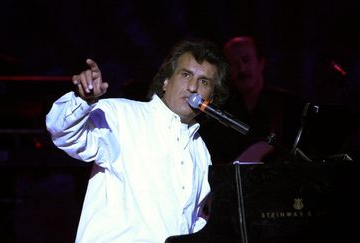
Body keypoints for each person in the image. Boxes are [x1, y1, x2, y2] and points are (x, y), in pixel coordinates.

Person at [45, 39, 229, 242]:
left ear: (210, 97)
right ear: (166, 82)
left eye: (204, 82)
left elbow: (194, 220)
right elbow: (63, 133)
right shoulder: (122, 116)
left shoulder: (200, 150)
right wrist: (83, 100)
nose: (193, 87)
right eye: (186, 75)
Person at [201, 36, 306, 164]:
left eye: (246, 60)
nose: (242, 69)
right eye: (234, 63)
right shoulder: (219, 112)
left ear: (261, 63)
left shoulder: (288, 104)